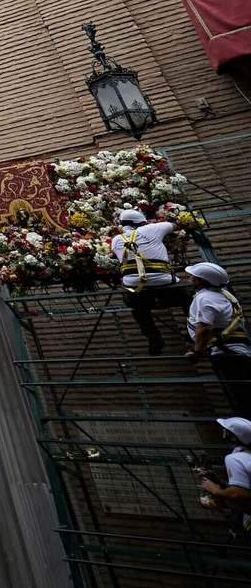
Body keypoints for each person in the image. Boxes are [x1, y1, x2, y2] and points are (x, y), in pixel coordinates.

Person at [185, 262, 251, 416]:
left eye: (193, 276)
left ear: (202, 281)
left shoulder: (205, 298)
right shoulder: (226, 294)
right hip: (239, 350)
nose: (190, 278)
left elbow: (205, 328)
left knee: (240, 398)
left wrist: (197, 352)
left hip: (226, 355)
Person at [110, 207, 179, 355]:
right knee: (190, 298)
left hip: (134, 286)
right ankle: (193, 329)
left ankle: (153, 337)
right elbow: (174, 226)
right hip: (163, 281)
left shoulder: (115, 240)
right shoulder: (152, 229)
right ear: (141, 223)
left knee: (137, 308)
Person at [199, 416, 251, 540]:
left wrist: (214, 490)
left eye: (226, 430)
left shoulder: (234, 458)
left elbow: (238, 494)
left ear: (233, 437)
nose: (222, 431)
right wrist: (222, 483)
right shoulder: (247, 456)